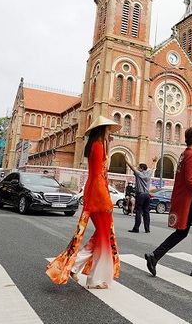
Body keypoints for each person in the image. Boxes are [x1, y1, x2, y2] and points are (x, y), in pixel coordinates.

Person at [46, 115, 121, 289]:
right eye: (109, 130)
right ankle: (93, 278)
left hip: (96, 193)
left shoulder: (99, 146)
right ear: (102, 130)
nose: (111, 133)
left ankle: (75, 266)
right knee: (103, 237)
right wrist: (106, 201)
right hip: (98, 195)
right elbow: (97, 176)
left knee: (101, 235)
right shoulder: (97, 147)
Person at [144, 127, 192, 278]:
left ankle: (154, 256)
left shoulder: (183, 155)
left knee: (181, 232)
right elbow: (190, 181)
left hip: (185, 199)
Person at [126, 155, 156, 233]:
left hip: (140, 195)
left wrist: (126, 161)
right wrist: (154, 162)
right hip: (147, 195)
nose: (138, 169)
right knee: (146, 212)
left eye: (139, 167)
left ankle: (136, 228)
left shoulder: (139, 174)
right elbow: (152, 168)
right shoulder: (148, 174)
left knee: (138, 211)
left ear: (142, 169)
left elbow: (132, 167)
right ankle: (147, 228)